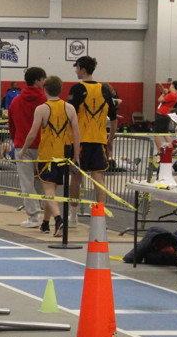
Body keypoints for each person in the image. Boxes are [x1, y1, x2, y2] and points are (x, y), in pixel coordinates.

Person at [21, 75, 81, 237]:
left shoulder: (42, 109)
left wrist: (23, 149)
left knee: (48, 189)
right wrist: (76, 155)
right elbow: (76, 134)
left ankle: (58, 219)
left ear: (45, 89)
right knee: (52, 190)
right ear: (61, 89)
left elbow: (33, 133)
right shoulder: (69, 108)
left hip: (47, 155)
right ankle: (46, 224)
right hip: (63, 154)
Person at [67, 55, 117, 225]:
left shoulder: (77, 89)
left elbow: (70, 115)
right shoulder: (105, 90)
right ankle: (99, 218)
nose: (75, 71)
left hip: (80, 142)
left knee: (76, 178)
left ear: (82, 69)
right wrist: (110, 139)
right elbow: (114, 119)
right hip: (99, 141)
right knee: (99, 179)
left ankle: (73, 216)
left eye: (77, 68)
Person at [8, 67, 48, 228]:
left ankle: (33, 217)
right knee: (43, 181)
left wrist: (17, 141)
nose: (44, 82)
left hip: (22, 146)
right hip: (43, 146)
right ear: (38, 81)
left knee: (27, 183)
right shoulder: (45, 101)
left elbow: (11, 125)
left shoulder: (16, 101)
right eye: (43, 79)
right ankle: (46, 212)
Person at [154, 80, 177, 149]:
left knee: (156, 134)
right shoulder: (174, 95)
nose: (169, 87)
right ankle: (173, 149)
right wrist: (161, 88)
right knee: (165, 134)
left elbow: (159, 99)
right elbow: (165, 91)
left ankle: (159, 150)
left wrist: (163, 94)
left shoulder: (172, 95)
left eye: (171, 85)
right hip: (165, 115)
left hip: (162, 115)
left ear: (173, 86)